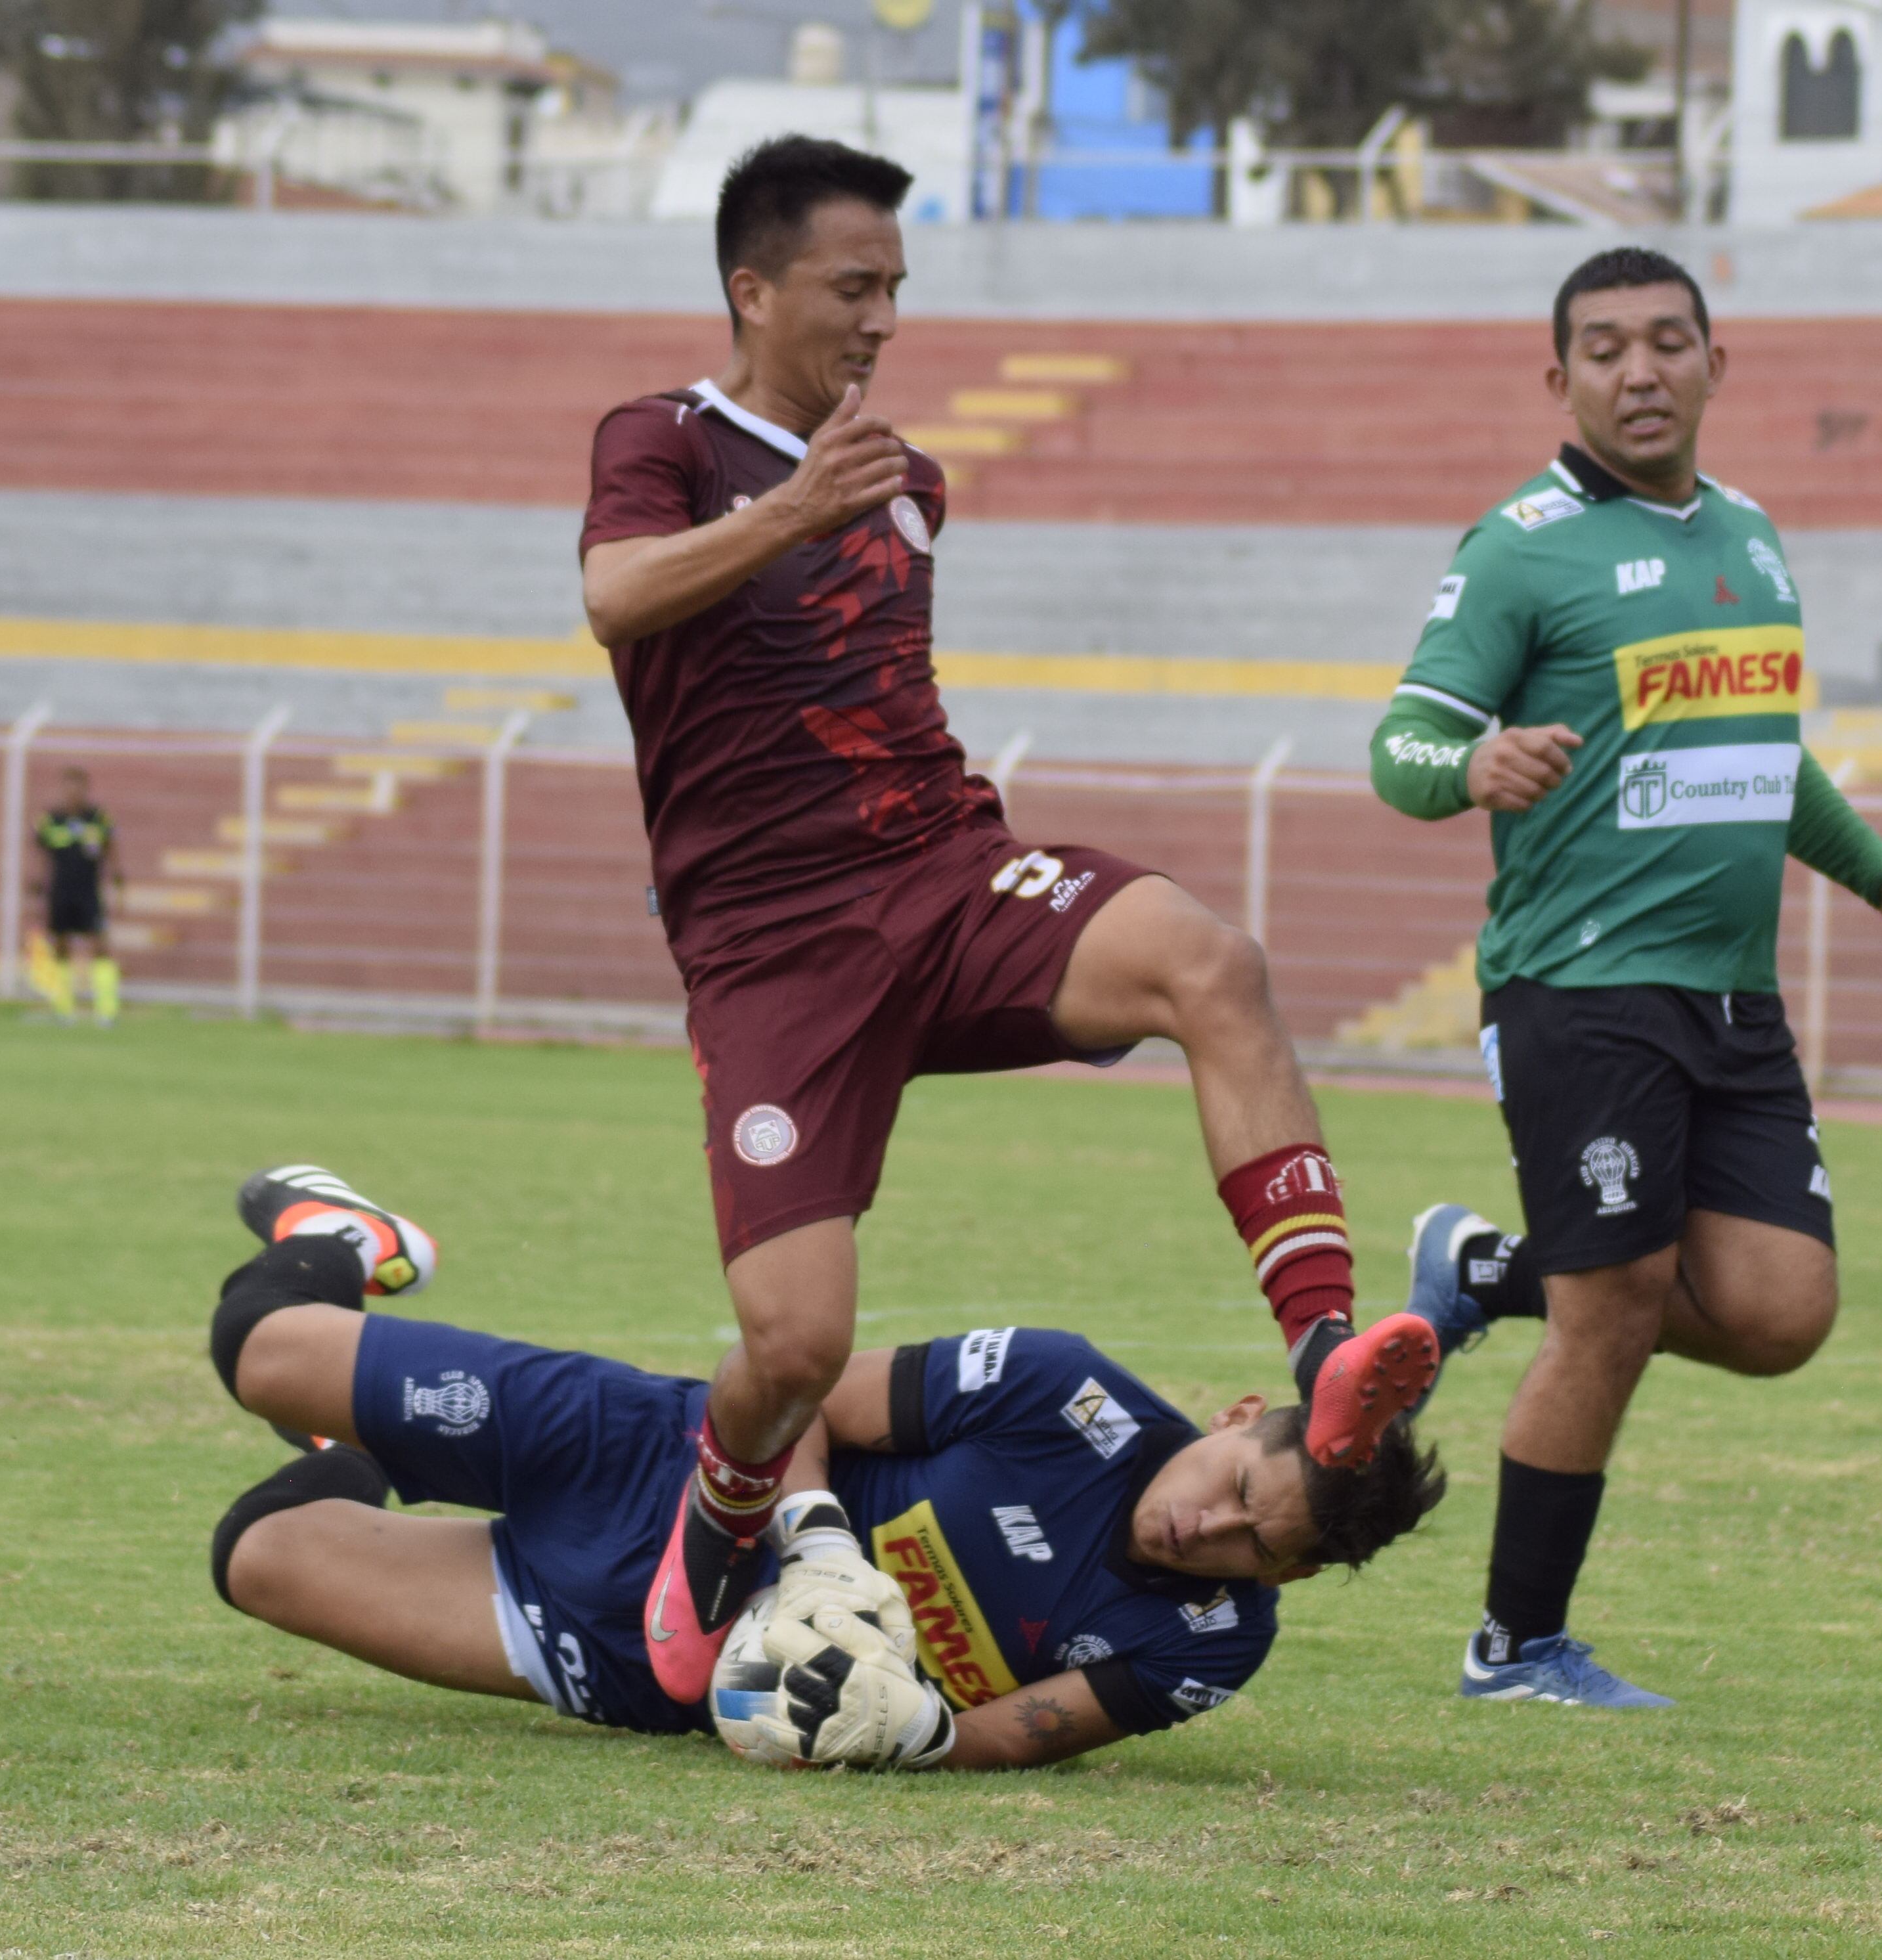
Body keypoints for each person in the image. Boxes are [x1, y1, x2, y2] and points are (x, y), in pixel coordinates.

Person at [577, 132, 1438, 1702]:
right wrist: (787, 511)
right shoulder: (667, 438)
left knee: (1211, 964)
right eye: (854, 286)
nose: (885, 318)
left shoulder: (909, 487)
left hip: (947, 877)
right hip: (776, 950)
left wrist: (841, 503)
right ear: (751, 287)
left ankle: (1321, 1357)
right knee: (792, 1348)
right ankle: (718, 1525)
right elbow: (618, 597)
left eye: (899, 287)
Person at [1367, 246, 1882, 1710]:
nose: (1637, 370)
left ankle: (1481, 1272)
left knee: (1779, 1314)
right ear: (1560, 379)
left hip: (1731, 996)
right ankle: (1513, 1648)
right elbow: (1395, 746)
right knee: (1614, 1310)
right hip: (1581, 990)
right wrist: (1469, 762)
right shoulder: (1517, 546)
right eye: (1603, 349)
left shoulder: (1753, 538)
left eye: (1666, 342)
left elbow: (1760, 756)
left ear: (1718, 363)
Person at [202, 1166, 1447, 1767]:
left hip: (648, 1658)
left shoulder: (1219, 1639)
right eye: (1233, 1488)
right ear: (1239, 1414)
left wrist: (906, 1733)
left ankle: (343, 1460)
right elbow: (797, 1389)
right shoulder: (1064, 1390)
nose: (1208, 1533)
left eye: (1258, 1545)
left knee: (256, 1556)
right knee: (257, 1350)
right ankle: (340, 1235)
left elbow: (1013, 1734)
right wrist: (818, 1540)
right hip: (651, 1456)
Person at [29, 768, 125, 1026]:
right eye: (68, 787)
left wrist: (118, 881)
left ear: (86, 789)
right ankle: (64, 1009)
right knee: (60, 947)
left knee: (100, 947)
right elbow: (41, 854)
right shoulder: (50, 819)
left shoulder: (98, 819)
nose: (73, 793)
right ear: (62, 789)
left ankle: (106, 1010)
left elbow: (111, 849)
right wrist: (37, 884)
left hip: (89, 893)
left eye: (78, 787)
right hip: (60, 892)